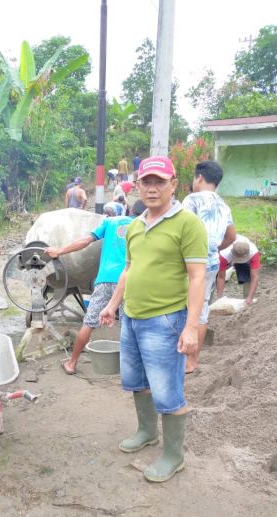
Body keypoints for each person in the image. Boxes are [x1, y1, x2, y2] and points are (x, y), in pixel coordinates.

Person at [100, 156, 207, 483]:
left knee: (167, 391)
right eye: (147, 181)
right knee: (136, 382)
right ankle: (147, 432)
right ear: (138, 185)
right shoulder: (133, 225)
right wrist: (112, 305)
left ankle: (174, 456)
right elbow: (129, 271)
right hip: (131, 318)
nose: (152, 188)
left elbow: (197, 277)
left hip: (165, 321)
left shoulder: (188, 224)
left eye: (160, 181)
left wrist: (191, 327)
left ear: (174, 184)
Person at [45, 210, 133, 375]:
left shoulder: (110, 222)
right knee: (128, 326)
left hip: (105, 279)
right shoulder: (142, 224)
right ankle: (129, 371)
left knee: (89, 323)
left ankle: (71, 364)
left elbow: (85, 241)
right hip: (130, 278)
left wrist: (59, 251)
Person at [182, 160, 236, 373]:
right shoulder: (224, 205)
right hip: (212, 262)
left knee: (185, 307)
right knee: (201, 309)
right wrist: (213, 247)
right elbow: (231, 236)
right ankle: (193, 361)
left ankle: (182, 359)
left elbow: (182, 228)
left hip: (190, 262)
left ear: (199, 177)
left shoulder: (191, 200)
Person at [216, 235, 260, 304]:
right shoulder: (224, 254)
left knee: (248, 277)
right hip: (226, 256)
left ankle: (247, 299)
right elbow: (221, 277)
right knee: (214, 274)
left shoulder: (254, 253)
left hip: (247, 258)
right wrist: (219, 299)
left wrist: (250, 297)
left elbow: (255, 277)